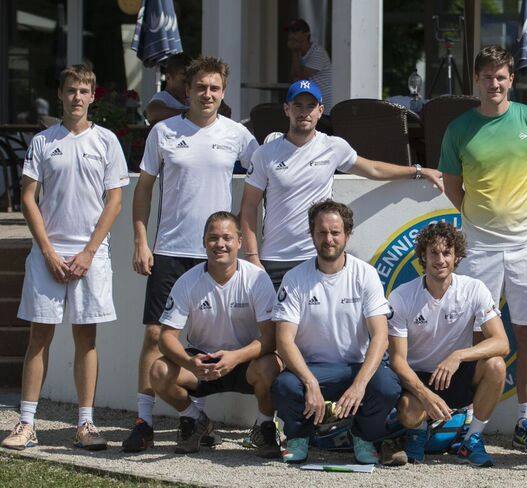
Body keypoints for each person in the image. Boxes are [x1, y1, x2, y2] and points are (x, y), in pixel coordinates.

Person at [124, 56, 259, 452]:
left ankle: (196, 417)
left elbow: (264, 179)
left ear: (224, 92)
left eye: (215, 88)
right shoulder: (164, 132)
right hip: (169, 249)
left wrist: (246, 241)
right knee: (155, 334)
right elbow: (143, 190)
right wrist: (140, 241)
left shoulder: (237, 134)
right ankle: (145, 420)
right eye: (201, 87)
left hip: (217, 252)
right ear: (187, 90)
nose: (207, 94)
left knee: (205, 334)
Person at [1, 64, 129, 451]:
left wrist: (88, 253)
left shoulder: (106, 141)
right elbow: (28, 197)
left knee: (86, 339)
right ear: (60, 94)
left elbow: (115, 201)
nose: (77, 97)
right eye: (71, 90)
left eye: (84, 91)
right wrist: (47, 252)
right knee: (39, 337)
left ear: (92, 97)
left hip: (92, 256)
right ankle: (26, 423)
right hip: (48, 255)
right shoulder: (43, 141)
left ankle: (85, 424)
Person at [439, 45, 527, 453]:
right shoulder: (459, 128)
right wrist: (481, 220)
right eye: (487, 76)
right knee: (475, 335)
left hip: (525, 244)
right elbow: (452, 185)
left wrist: (515, 213)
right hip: (479, 247)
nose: (495, 83)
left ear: (511, 79)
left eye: (501, 76)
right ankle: (470, 420)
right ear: (476, 79)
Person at [240, 79, 442, 291]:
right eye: (297, 105)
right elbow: (249, 207)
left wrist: (418, 171)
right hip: (274, 260)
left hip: (318, 256)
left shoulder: (333, 146)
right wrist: (252, 257)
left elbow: (373, 169)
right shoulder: (265, 154)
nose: (304, 112)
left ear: (320, 111)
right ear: (286, 109)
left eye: (310, 106)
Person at [271, 200, 402, 465]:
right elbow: (284, 341)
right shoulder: (295, 278)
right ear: (312, 234)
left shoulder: (365, 274)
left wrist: (360, 385)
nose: (328, 239)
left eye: (335, 232)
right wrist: (310, 383)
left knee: (387, 386)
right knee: (284, 386)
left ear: (347, 235)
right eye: (321, 232)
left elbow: (380, 336)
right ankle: (299, 437)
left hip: (354, 367)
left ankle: (363, 436)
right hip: (312, 369)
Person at [149, 212, 281, 456]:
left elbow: (271, 337)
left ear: (239, 242)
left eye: (227, 238)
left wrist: (235, 357)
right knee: (159, 371)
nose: (220, 244)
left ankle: (264, 427)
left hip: (244, 363)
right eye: (213, 238)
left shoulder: (257, 279)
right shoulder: (188, 281)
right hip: (202, 364)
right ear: (204, 242)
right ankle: (194, 420)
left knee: (272, 366)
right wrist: (190, 362)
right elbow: (166, 337)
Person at [388, 222, 509, 467]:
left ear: (457, 257)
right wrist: (425, 395)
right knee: (409, 411)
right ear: (423, 256)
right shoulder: (402, 295)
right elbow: (397, 361)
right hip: (418, 378)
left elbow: (502, 343)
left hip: (456, 373)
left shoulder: (473, 288)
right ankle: (417, 432)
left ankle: (472, 438)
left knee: (496, 365)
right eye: (434, 252)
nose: (440, 260)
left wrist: (458, 356)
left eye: (447, 253)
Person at [286, 19, 333, 114]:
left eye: (295, 31)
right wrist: (295, 52)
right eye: (290, 32)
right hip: (310, 104)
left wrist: (294, 51)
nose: (291, 35)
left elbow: (300, 76)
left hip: (323, 107)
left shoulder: (317, 52)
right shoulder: (299, 54)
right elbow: (293, 77)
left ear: (306, 34)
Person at [144, 53, 191, 125]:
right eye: (184, 82)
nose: (188, 85)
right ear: (168, 77)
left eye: (190, 82)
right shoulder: (163, 96)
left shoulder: (190, 98)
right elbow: (152, 114)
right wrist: (190, 114)